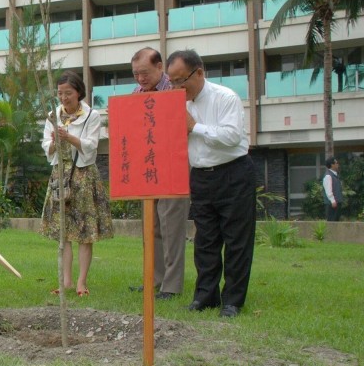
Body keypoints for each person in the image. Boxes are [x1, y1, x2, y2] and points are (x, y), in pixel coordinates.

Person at [166, 49, 255, 318]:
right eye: (173, 82)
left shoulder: (225, 97)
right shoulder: (177, 103)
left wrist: (195, 127)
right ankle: (205, 297)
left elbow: (231, 136)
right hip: (201, 176)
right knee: (205, 240)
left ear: (200, 72)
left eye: (181, 80)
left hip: (234, 173)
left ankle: (233, 301)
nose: (178, 87)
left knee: (237, 240)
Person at [41, 70, 114, 297]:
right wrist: (53, 142)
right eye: (60, 93)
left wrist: (69, 137)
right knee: (63, 233)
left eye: (68, 93)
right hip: (59, 176)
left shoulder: (91, 115)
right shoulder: (53, 115)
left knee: (84, 232)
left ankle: (81, 283)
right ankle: (66, 282)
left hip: (83, 176)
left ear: (79, 92)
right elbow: (46, 147)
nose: (64, 98)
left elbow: (92, 146)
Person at [129, 47, 190, 300]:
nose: (140, 79)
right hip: (147, 168)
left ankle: (172, 285)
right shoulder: (136, 94)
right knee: (150, 225)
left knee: (171, 225)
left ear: (159, 67)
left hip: (173, 166)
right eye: (135, 74)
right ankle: (153, 278)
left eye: (144, 72)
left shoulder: (177, 91)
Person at [322, 157, 343, 221]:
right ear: (332, 165)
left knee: (336, 222)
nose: (338, 164)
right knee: (332, 223)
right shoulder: (328, 176)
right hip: (332, 204)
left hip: (336, 203)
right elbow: (328, 190)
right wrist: (333, 201)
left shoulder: (335, 175)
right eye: (336, 163)